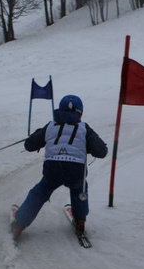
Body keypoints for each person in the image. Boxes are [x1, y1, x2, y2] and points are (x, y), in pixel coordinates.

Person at [12, 94, 108, 238]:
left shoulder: (50, 126)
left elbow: (29, 145)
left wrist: (37, 136)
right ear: (80, 113)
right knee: (79, 190)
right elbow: (101, 151)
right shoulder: (84, 128)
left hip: (53, 168)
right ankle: (80, 221)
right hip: (76, 170)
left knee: (40, 192)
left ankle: (19, 224)